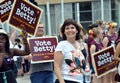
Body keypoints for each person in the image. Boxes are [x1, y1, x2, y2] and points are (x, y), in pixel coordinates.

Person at [54, 18, 86, 83]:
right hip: (67, 79)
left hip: (80, 80)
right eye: (67, 28)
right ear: (64, 32)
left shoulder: (80, 45)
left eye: (72, 27)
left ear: (77, 31)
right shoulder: (61, 45)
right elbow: (56, 67)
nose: (70, 30)